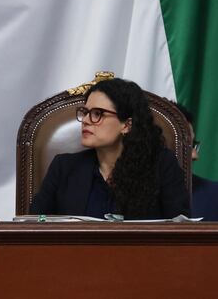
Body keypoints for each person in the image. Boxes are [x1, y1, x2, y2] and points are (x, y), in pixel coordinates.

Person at [30, 78, 189, 219]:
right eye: (85, 112)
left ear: (126, 125)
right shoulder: (63, 167)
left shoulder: (162, 165)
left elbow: (179, 231)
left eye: (97, 113)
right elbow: (33, 225)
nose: (85, 120)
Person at [173, 102, 218, 221]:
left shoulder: (214, 195)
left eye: (193, 145)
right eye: (184, 145)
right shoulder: (120, 194)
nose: (195, 155)